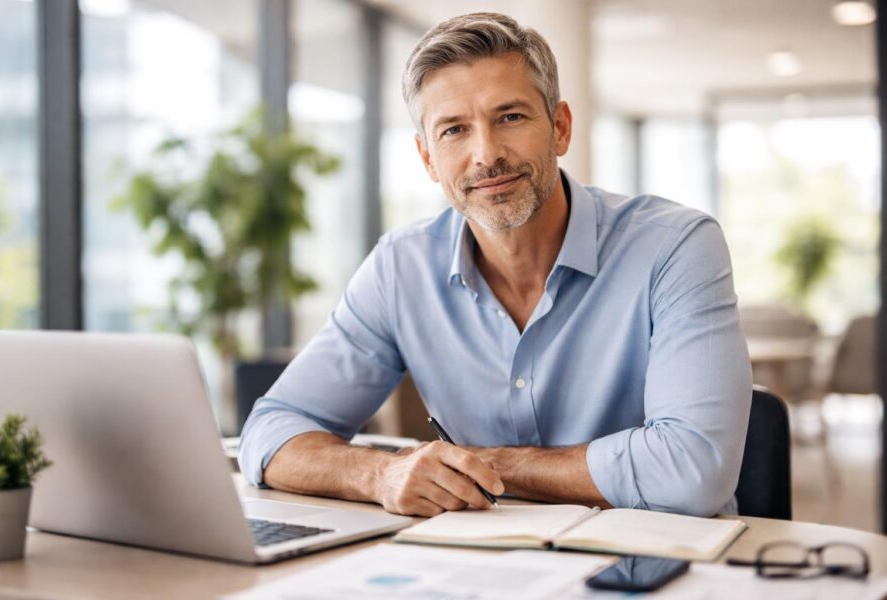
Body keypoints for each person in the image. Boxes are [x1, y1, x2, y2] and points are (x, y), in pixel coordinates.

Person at [239, 12, 752, 518]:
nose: (486, 154)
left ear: (560, 128)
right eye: (454, 130)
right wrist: (381, 475)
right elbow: (270, 432)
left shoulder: (674, 247)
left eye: (510, 117)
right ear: (427, 158)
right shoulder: (400, 268)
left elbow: (694, 472)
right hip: (476, 558)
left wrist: (479, 464)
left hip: (654, 555)